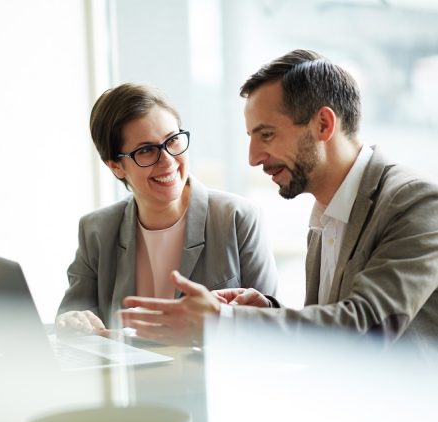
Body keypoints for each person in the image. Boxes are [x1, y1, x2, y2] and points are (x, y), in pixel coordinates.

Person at [120, 50, 438, 351]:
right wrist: (268, 310)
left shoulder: (415, 202)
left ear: (324, 125)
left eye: (267, 135)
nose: (253, 158)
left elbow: (367, 329)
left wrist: (223, 322)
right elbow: (330, 337)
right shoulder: (327, 210)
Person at [56, 83, 278, 336]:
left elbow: (271, 327)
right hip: (127, 374)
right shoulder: (96, 230)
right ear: (116, 166)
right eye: (147, 150)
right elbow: (72, 314)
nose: (168, 161)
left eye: (172, 141)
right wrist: (73, 321)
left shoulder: (238, 218)